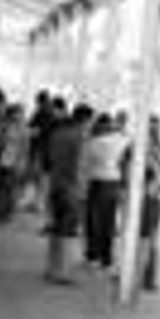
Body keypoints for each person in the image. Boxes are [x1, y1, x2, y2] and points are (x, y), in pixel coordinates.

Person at [127, 116, 160, 292]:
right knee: (143, 239)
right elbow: (122, 167)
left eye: (153, 129)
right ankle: (138, 277)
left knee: (150, 240)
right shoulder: (134, 147)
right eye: (148, 129)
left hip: (151, 198)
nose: (151, 132)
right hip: (140, 197)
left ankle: (146, 279)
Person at [44, 104, 91, 284]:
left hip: (55, 184)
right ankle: (63, 272)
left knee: (56, 229)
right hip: (71, 188)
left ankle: (51, 269)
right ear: (85, 120)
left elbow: (49, 159)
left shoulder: (57, 134)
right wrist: (82, 190)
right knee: (69, 231)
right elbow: (79, 167)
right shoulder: (80, 138)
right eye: (89, 121)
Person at [81, 112, 130, 273]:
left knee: (93, 221)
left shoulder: (94, 142)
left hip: (97, 183)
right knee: (108, 223)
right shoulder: (123, 140)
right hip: (114, 183)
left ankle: (93, 256)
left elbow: (86, 165)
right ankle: (106, 259)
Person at [0, 102, 29, 227]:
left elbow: (25, 149)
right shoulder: (8, 127)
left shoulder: (21, 129)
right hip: (4, 163)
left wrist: (22, 163)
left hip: (12, 163)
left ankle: (3, 214)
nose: (22, 115)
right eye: (19, 113)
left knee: (8, 190)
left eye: (22, 113)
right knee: (2, 190)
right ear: (13, 114)